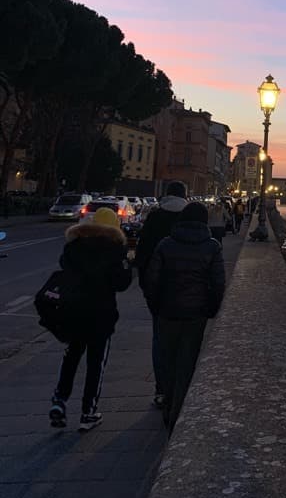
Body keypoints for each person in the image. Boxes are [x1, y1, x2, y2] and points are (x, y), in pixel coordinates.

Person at [143, 201, 225, 435]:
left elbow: (152, 281)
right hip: (195, 314)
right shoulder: (212, 247)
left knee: (167, 359)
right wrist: (211, 309)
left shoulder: (166, 244)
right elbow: (218, 284)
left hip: (167, 312)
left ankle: (167, 400)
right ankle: (176, 412)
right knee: (187, 362)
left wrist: (155, 307)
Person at [49, 207, 132, 431]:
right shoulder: (115, 251)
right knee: (96, 364)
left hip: (73, 312)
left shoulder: (74, 247)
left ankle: (60, 400)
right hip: (101, 315)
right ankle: (88, 412)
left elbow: (64, 266)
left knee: (71, 357)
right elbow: (122, 284)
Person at [134, 181, 188, 408]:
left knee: (160, 338)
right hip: (188, 291)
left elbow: (142, 253)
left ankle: (161, 388)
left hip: (158, 291)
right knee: (187, 341)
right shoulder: (192, 215)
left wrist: (146, 286)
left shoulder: (155, 217)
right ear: (185, 195)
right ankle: (182, 387)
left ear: (166, 195)